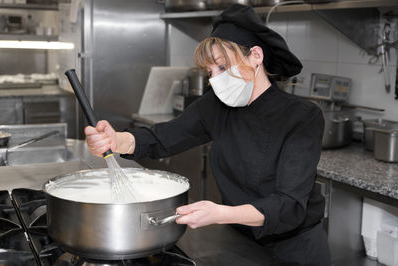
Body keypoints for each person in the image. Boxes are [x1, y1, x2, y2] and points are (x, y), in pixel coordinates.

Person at [85, 4, 331, 266]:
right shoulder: (216, 106)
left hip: (295, 249)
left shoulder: (301, 116)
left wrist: (220, 214)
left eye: (222, 67)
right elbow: (164, 137)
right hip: (239, 240)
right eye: (210, 72)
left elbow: (289, 205)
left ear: (255, 56)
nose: (215, 80)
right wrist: (116, 140)